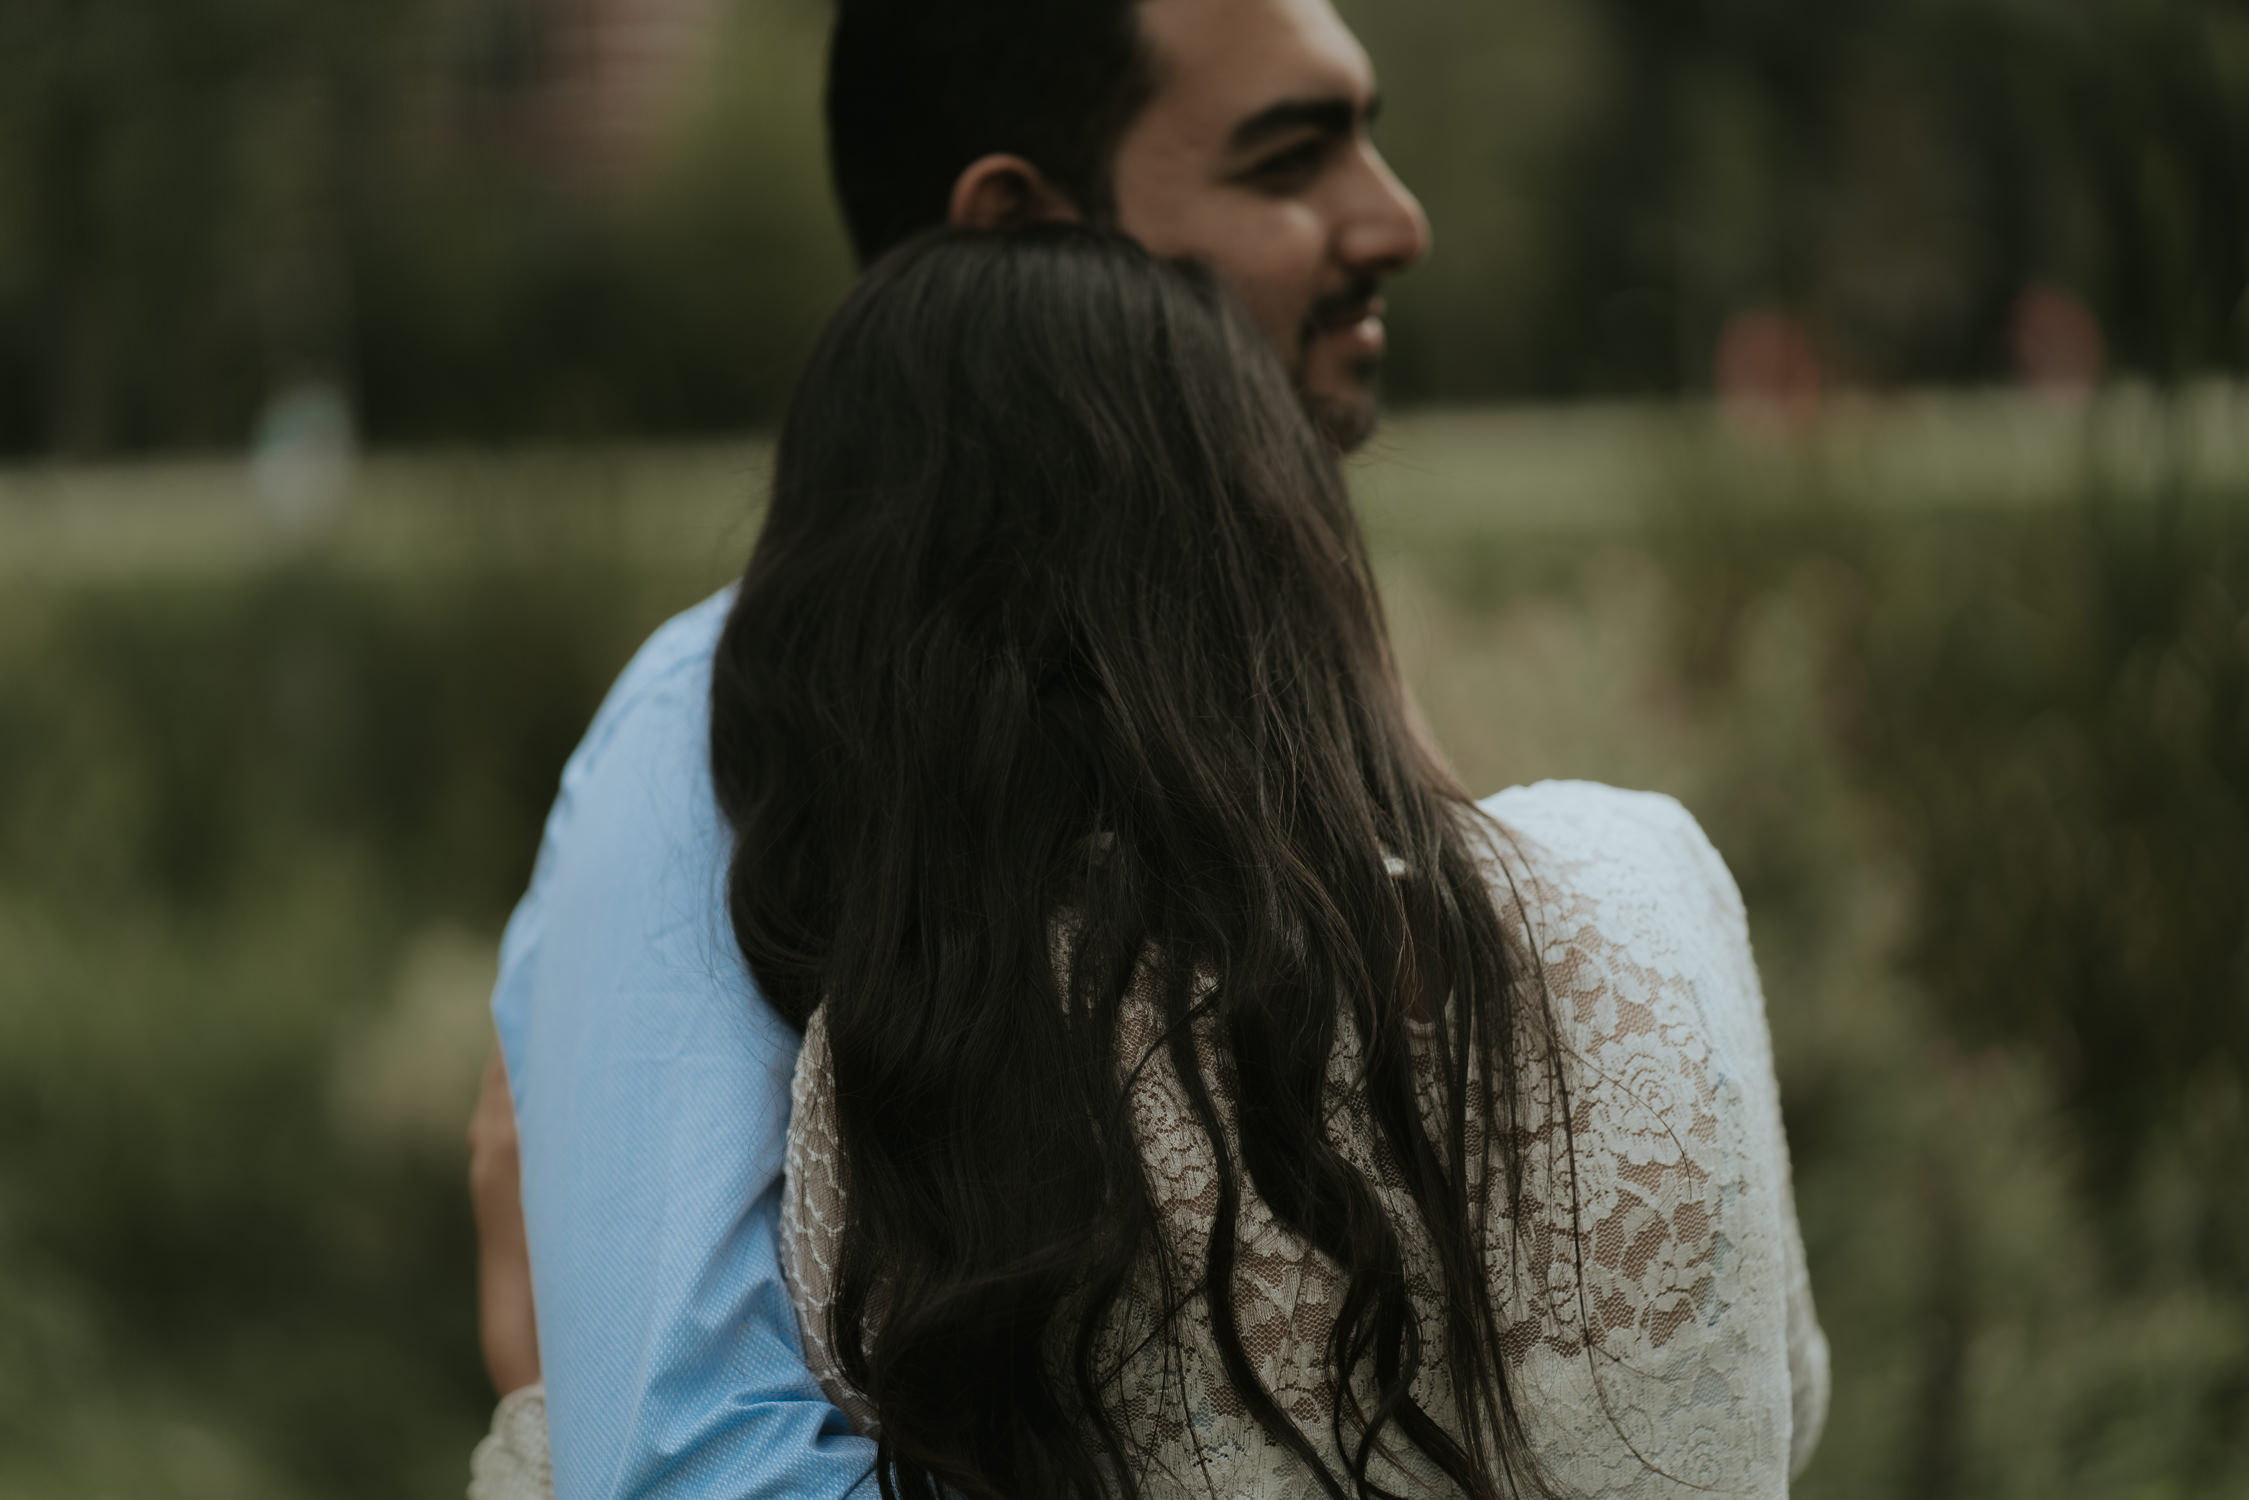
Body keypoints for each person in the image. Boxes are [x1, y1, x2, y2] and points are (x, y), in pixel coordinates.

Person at [477, 220, 1825, 1498]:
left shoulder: (940, 1078)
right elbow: (1785, 1396)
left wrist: (539, 1407)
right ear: (1281, 537)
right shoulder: (1652, 877)